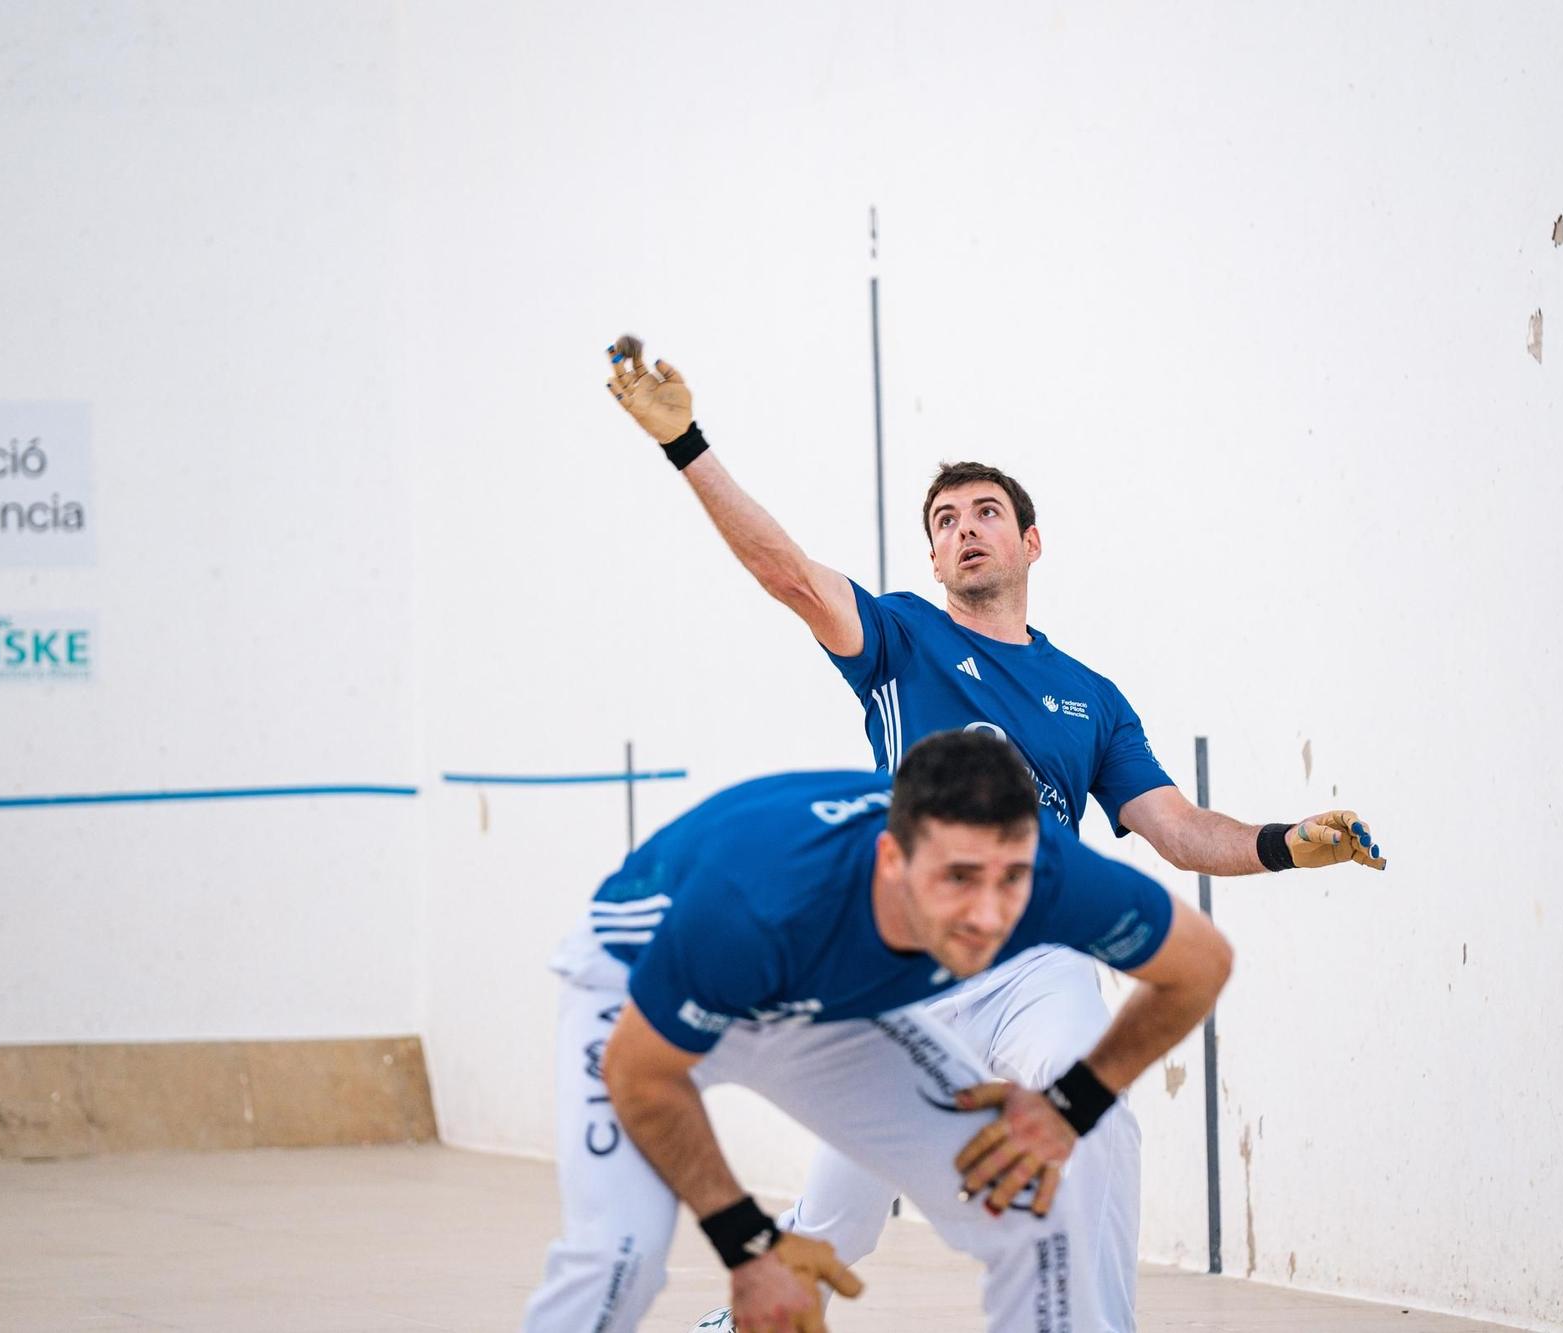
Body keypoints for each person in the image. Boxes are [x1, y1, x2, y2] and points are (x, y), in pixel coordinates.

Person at [605, 334, 1386, 1328]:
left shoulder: (1090, 698)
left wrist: (1283, 839)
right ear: (932, 556)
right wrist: (689, 446)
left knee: (1088, 1123)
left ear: (1028, 540)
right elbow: (790, 574)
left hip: (1037, 956)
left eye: (985, 514)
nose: (966, 530)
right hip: (902, 959)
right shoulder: (894, 637)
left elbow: (1180, 832)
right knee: (840, 1204)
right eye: (945, 521)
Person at [519, 731, 1233, 1333]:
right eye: (957, 877)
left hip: (824, 1000)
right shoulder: (758, 902)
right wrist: (749, 1246)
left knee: (1029, 1199)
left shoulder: (1047, 874)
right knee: (622, 1254)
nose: (988, 916)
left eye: (1009, 878)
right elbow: (642, 1074)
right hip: (639, 984)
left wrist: (1071, 1103)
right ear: (893, 860)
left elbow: (1200, 963)